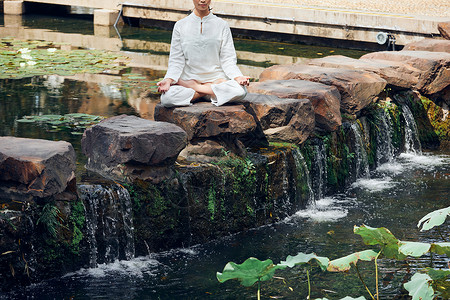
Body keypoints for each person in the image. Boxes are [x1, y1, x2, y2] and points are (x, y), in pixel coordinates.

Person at [157, 0, 249, 107]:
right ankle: (209, 92)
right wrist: (168, 79)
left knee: (240, 91)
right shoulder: (180, 25)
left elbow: (228, 59)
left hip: (215, 80)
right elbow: (176, 60)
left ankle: (197, 89)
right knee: (167, 98)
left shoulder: (222, 25)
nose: (202, 0)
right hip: (194, 79)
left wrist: (238, 77)